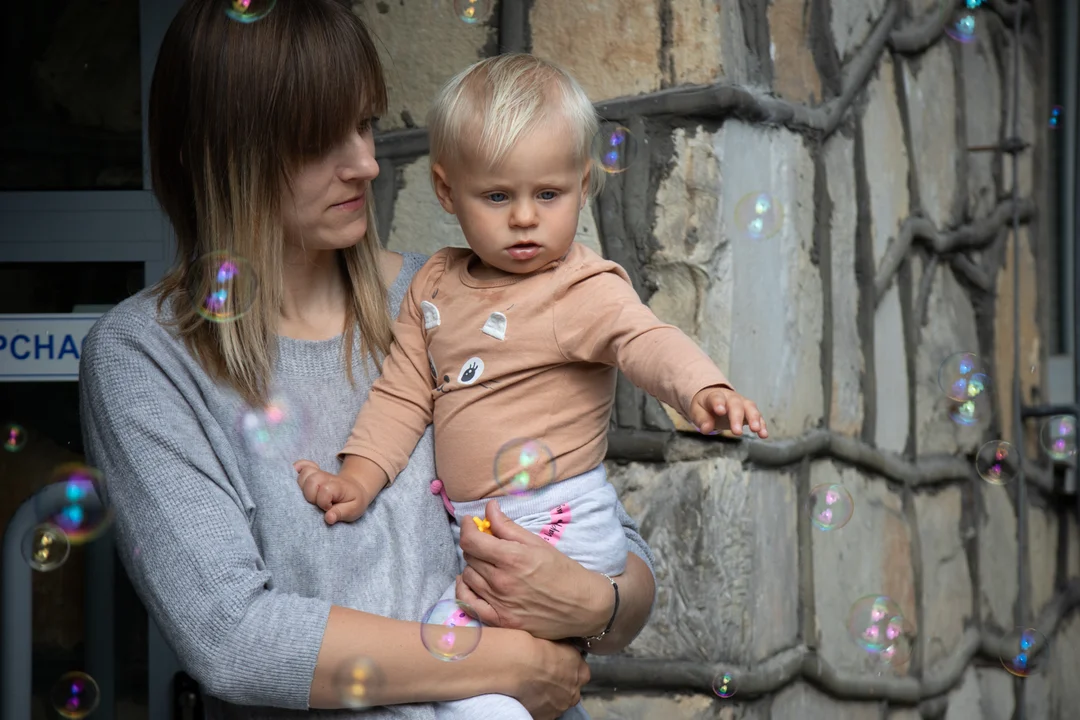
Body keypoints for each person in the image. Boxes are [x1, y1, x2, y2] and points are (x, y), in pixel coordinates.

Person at [76, 3, 657, 719]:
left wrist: (596, 603)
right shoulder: (145, 357)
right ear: (222, 149)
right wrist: (508, 661)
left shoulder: (453, 295)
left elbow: (620, 561)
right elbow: (233, 636)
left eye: (366, 123)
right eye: (322, 140)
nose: (367, 163)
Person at [291, 54, 769, 720]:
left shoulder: (580, 286)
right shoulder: (432, 287)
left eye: (548, 195)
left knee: (477, 694)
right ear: (445, 190)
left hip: (559, 525)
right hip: (483, 535)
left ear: (582, 183)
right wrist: (359, 479)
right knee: (451, 676)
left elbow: (646, 340)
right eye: (497, 196)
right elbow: (402, 396)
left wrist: (699, 389)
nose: (524, 218)